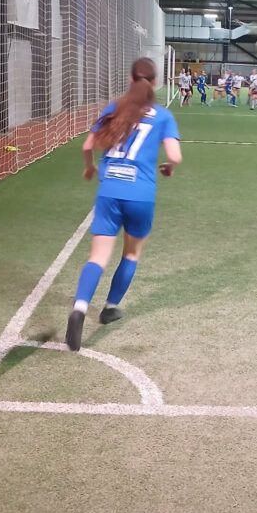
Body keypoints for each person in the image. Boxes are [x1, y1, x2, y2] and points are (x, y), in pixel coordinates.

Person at [65, 57, 182, 351]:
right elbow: (175, 156)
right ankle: (110, 307)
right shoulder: (163, 116)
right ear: (154, 82)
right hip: (140, 195)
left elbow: (87, 146)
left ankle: (79, 307)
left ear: (131, 80)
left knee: (98, 256)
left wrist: (90, 168)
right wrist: (168, 166)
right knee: (131, 253)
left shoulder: (114, 108)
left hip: (109, 192)